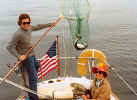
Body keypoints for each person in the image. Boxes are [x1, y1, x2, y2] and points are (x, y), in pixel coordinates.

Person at [6, 13, 56, 100]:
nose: (26, 25)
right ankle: (33, 97)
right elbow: (9, 47)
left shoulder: (29, 28)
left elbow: (38, 26)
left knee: (37, 66)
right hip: (26, 58)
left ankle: (28, 78)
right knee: (33, 78)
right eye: (24, 23)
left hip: (32, 54)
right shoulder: (18, 34)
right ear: (20, 23)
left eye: (28, 22)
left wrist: (50, 24)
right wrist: (19, 56)